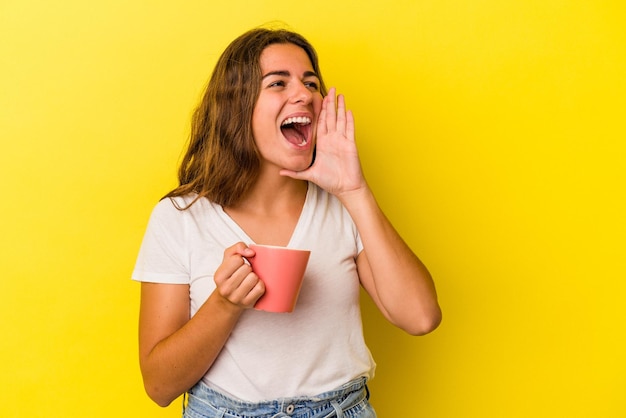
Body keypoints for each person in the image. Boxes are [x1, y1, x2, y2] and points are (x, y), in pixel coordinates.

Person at [132, 27, 442, 418]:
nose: (305, 94)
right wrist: (225, 303)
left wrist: (355, 191)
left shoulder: (342, 206)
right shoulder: (180, 218)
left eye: (311, 83)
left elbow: (420, 317)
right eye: (278, 82)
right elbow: (159, 386)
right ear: (236, 106)